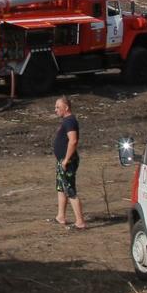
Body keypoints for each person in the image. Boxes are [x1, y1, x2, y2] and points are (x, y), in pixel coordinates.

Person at [52, 95, 85, 229]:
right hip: (62, 160)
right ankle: (61, 216)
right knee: (61, 188)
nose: (55, 110)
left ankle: (80, 221)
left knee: (70, 190)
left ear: (66, 108)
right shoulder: (66, 121)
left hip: (68, 161)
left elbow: (73, 141)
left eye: (58, 107)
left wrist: (66, 160)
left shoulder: (70, 121)